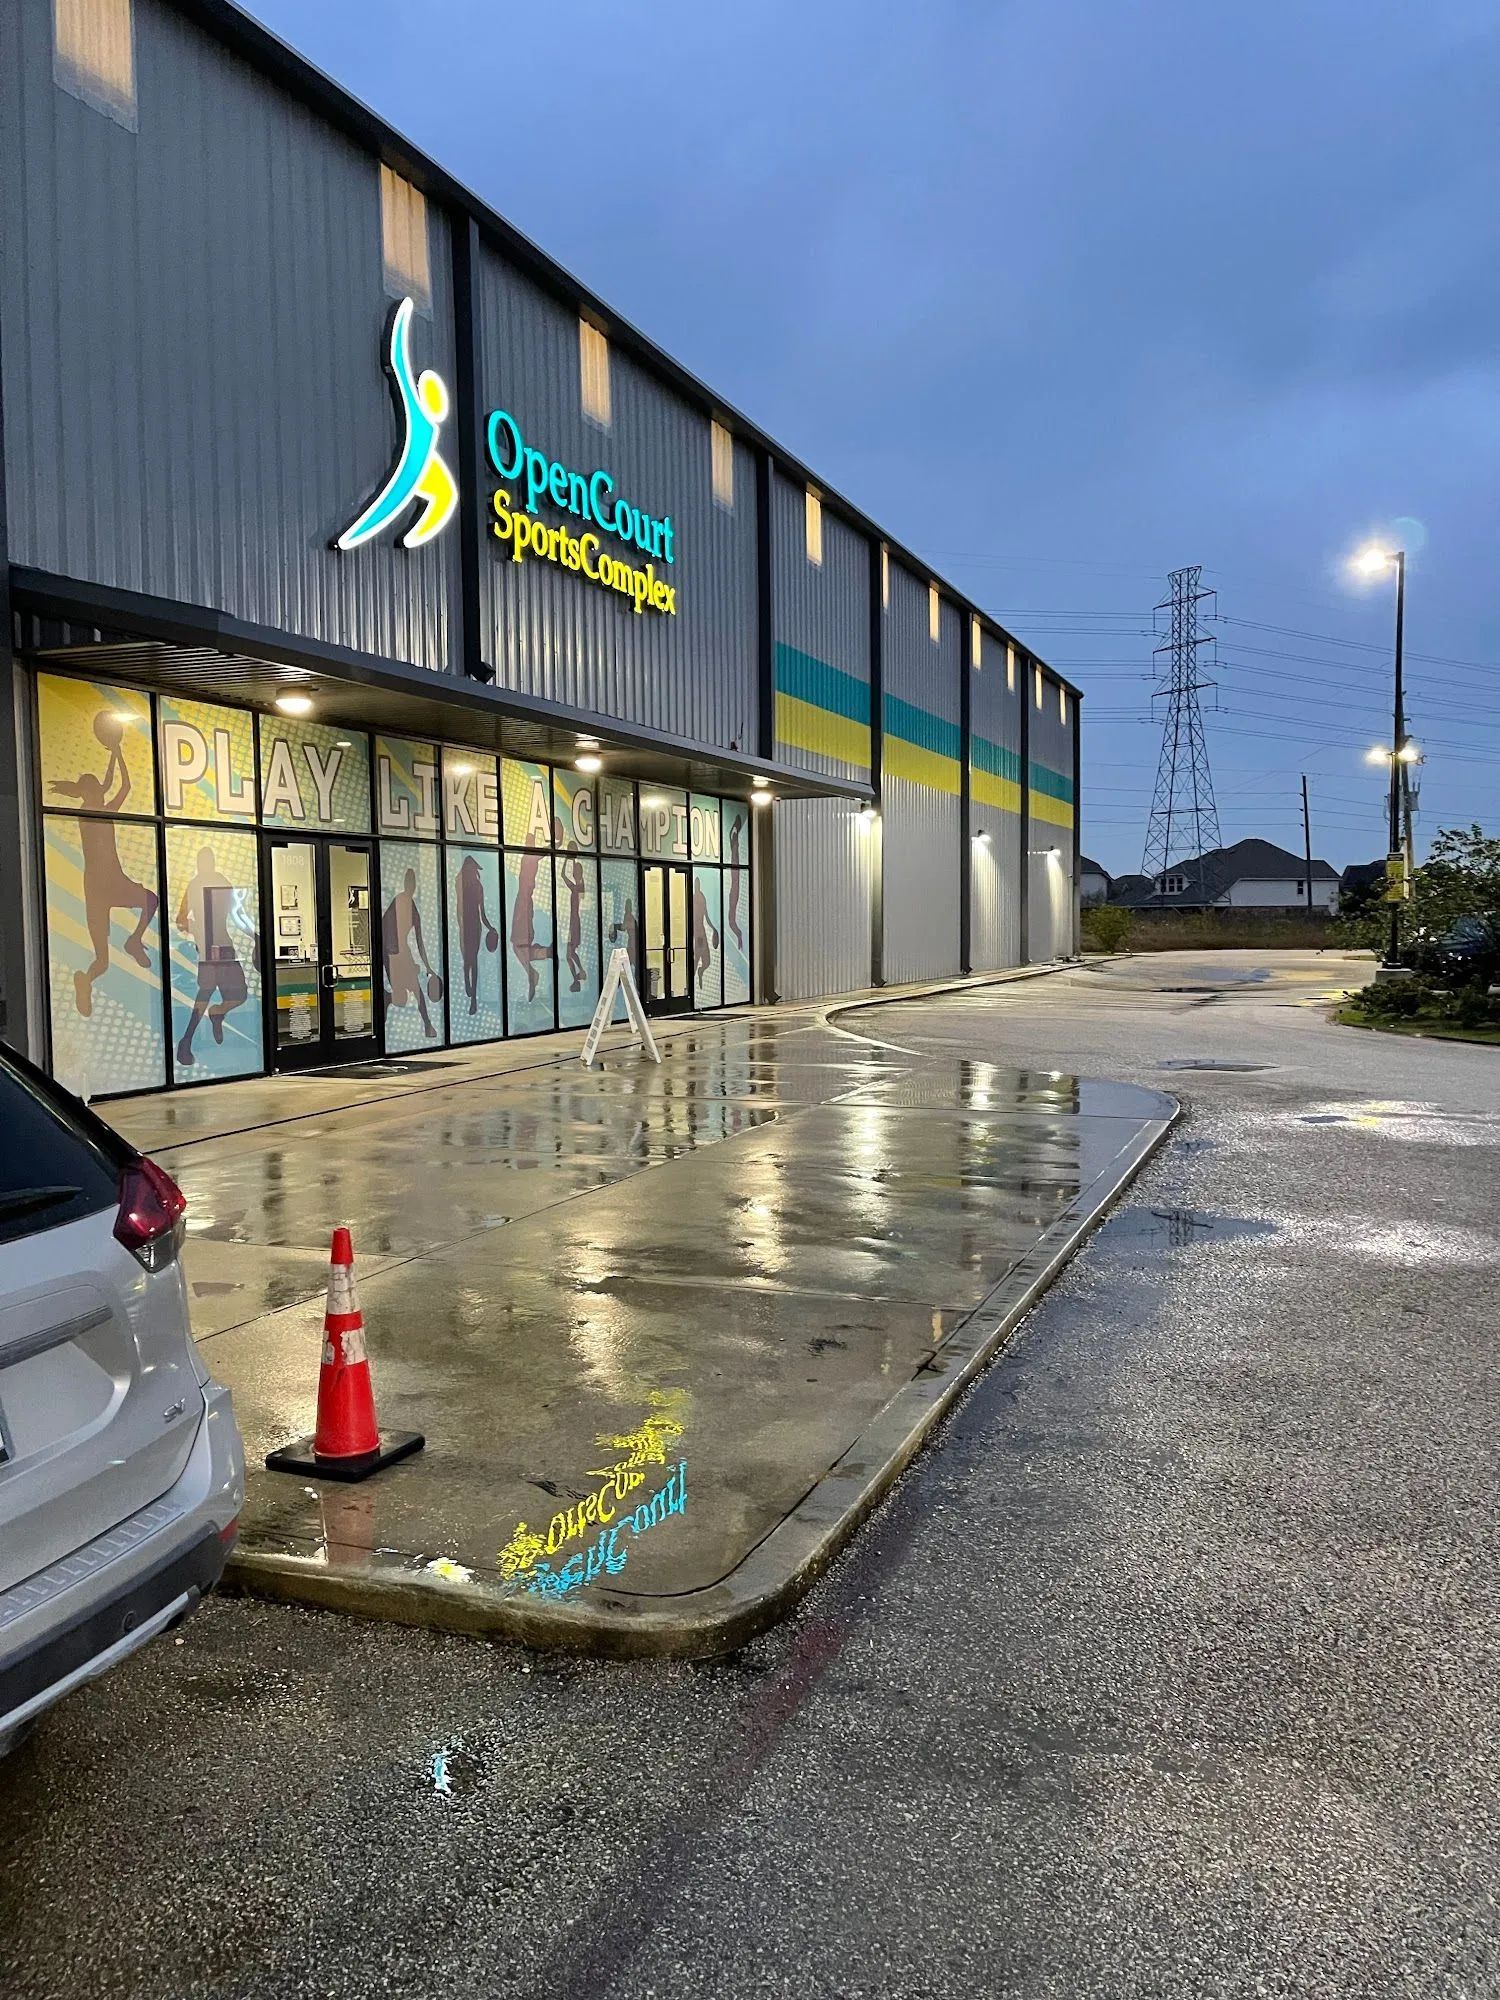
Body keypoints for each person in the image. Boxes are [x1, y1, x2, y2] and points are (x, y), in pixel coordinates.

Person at [49, 709, 159, 1019]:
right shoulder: (91, 813)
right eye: (94, 788)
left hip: (106, 884)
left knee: (150, 900)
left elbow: (118, 785)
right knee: (103, 961)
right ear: (88, 792)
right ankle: (86, 980)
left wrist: (117, 752)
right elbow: (115, 786)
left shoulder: (100, 808)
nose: (100, 789)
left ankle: (133, 941)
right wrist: (115, 753)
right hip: (102, 885)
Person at [174, 845, 249, 1066]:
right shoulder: (201, 883)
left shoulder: (215, 882)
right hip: (211, 949)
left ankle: (215, 1014)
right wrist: (197, 932)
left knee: (235, 994)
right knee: (206, 993)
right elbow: (181, 919)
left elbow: (236, 913)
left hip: (221, 947)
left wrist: (195, 931)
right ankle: (187, 1041)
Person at [382, 866, 438, 1038]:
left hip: (402, 952)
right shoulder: (398, 902)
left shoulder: (411, 906)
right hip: (393, 954)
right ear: (406, 884)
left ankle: (428, 1026)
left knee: (417, 990)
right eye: (409, 882)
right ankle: (387, 1000)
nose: (411, 886)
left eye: (413, 883)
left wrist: (428, 966)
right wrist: (390, 957)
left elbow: (420, 940)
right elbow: (384, 931)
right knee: (401, 999)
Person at [455, 853, 496, 1017]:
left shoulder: (471, 886)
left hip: (471, 926)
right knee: (470, 960)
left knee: (471, 960)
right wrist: (489, 926)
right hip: (470, 926)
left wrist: (490, 927)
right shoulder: (465, 885)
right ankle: (468, 986)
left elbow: (481, 913)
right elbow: (480, 913)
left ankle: (472, 996)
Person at [509, 851, 552, 1002]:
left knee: (518, 945)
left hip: (523, 900)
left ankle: (543, 957)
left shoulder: (530, 856)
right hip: (523, 900)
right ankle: (545, 953)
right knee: (519, 946)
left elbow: (540, 854)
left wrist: (553, 846)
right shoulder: (528, 857)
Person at [692, 874, 721, 981]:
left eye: (698, 884)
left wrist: (713, 928)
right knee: (698, 955)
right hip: (697, 932)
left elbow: (707, 915)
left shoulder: (701, 897)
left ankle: (699, 972)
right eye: (696, 884)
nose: (697, 886)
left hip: (701, 931)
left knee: (706, 961)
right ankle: (692, 982)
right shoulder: (694, 898)